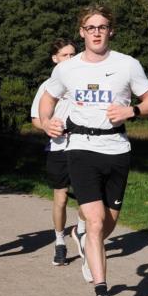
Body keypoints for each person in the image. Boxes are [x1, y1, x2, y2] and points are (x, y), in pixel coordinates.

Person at [39, 5, 148, 296]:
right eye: (90, 27)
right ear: (82, 32)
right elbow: (47, 99)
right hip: (80, 148)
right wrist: (48, 122)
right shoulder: (68, 69)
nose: (96, 32)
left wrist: (131, 112)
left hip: (117, 149)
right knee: (95, 223)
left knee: (107, 224)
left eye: (102, 27)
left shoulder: (127, 65)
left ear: (110, 31)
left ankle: (85, 240)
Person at [31, 38, 87, 266]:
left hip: (84, 146)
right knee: (61, 199)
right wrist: (46, 126)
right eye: (65, 55)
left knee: (87, 197)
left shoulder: (84, 83)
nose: (70, 59)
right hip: (58, 148)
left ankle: (82, 232)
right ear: (55, 59)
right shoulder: (47, 86)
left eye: (73, 54)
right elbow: (36, 118)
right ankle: (59, 241)